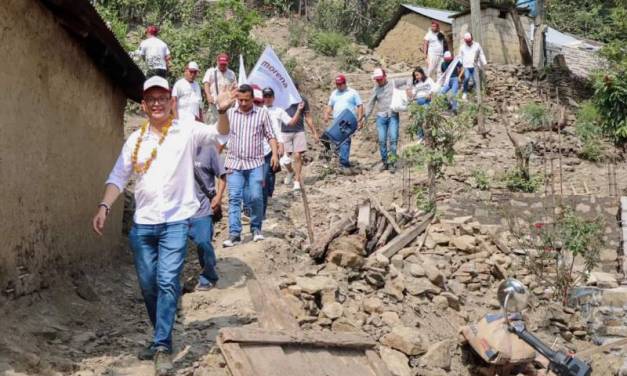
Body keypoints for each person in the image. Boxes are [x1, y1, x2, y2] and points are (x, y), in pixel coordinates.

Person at [91, 76, 229, 375]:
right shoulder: (136, 140)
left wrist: (222, 111)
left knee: (167, 282)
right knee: (149, 285)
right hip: (143, 226)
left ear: (172, 102)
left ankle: (163, 345)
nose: (157, 103)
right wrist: (104, 206)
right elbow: (118, 176)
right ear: (143, 105)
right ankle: (159, 337)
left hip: (176, 222)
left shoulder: (186, 130)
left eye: (162, 98)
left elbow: (220, 135)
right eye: (151, 98)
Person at [220, 84, 279, 247]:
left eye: (247, 100)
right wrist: (222, 109)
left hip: (255, 164)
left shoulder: (262, 114)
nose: (243, 103)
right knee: (234, 198)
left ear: (253, 98)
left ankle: (256, 229)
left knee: (256, 196)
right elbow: (222, 133)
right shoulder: (231, 113)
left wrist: (274, 154)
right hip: (234, 163)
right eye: (240, 100)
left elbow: (270, 135)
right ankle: (234, 234)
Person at [189, 143, 226, 291]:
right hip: (178, 209)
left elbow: (223, 175)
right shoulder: (175, 145)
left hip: (203, 207)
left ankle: (209, 276)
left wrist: (218, 196)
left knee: (203, 243)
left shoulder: (208, 149)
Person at [283, 82, 318, 191]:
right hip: (284, 131)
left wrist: (314, 132)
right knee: (285, 158)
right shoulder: (282, 98)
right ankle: (290, 171)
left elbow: (308, 117)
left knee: (297, 156)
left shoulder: (302, 99)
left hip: (299, 131)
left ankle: (297, 181)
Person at [323, 74, 364, 169]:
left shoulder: (352, 92)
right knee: (332, 139)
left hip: (347, 121)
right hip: (336, 121)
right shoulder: (334, 93)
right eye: (337, 84)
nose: (339, 86)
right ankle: (336, 161)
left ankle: (344, 163)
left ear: (345, 83)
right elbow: (330, 105)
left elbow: (360, 105)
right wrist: (326, 113)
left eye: (340, 84)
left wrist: (360, 119)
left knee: (345, 141)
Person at [365, 68, 400, 173]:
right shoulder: (375, 89)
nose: (379, 81)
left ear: (385, 76)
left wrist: (408, 89)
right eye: (377, 80)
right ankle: (385, 162)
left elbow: (408, 81)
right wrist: (364, 117)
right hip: (381, 118)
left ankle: (393, 162)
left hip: (393, 115)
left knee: (393, 139)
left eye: (380, 79)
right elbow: (370, 104)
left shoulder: (393, 84)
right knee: (382, 140)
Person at [203, 53, 237, 125]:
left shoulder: (231, 73)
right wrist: (208, 95)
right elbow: (206, 84)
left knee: (225, 127)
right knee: (211, 126)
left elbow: (235, 87)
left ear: (228, 63)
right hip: (214, 104)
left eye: (224, 64)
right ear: (217, 62)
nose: (222, 66)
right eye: (221, 64)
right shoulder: (211, 72)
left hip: (227, 106)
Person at [459, 32, 487, 100]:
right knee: (467, 78)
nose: (468, 43)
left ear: (472, 39)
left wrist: (484, 63)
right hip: (466, 66)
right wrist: (460, 62)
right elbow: (460, 56)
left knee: (476, 80)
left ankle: (476, 94)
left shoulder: (477, 45)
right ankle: (465, 92)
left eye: (469, 41)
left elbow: (481, 54)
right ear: (465, 41)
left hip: (475, 66)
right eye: (467, 42)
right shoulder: (462, 47)